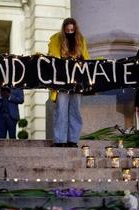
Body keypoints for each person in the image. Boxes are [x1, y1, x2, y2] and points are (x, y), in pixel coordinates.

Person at [48, 18, 90, 147]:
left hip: (77, 81)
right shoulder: (57, 39)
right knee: (61, 110)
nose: (70, 32)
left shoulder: (81, 39)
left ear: (75, 30)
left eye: (72, 30)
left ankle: (72, 140)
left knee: (75, 111)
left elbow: (86, 58)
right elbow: (52, 58)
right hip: (61, 81)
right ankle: (60, 140)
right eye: (67, 30)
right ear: (64, 30)